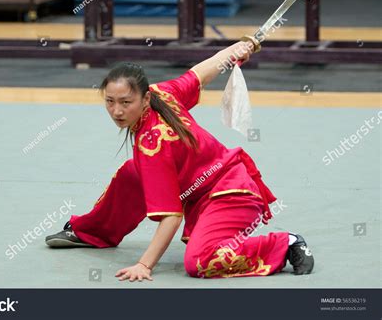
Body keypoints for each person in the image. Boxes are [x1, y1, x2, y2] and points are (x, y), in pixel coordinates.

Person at [45, 40, 314, 281]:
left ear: (144, 97)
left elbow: (171, 217)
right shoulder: (161, 93)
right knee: (131, 173)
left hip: (232, 194)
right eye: (110, 101)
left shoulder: (152, 145)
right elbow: (200, 74)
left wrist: (144, 264)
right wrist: (237, 49)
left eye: (126, 102)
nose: (117, 111)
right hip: (201, 188)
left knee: (200, 261)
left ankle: (286, 243)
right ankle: (92, 231)